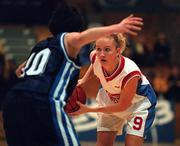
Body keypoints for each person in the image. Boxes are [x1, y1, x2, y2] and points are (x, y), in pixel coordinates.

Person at [2, 3, 143, 146]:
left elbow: (19, 71)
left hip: (13, 101)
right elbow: (81, 37)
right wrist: (117, 28)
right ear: (76, 27)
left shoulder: (41, 46)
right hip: (43, 100)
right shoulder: (67, 39)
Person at [72, 33, 157, 146]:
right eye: (98, 49)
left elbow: (123, 106)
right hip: (111, 99)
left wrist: (89, 110)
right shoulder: (95, 56)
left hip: (138, 104)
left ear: (118, 51)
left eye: (107, 50)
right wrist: (83, 80)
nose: (101, 54)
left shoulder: (130, 73)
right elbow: (94, 64)